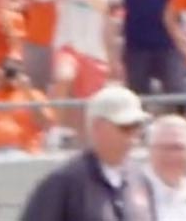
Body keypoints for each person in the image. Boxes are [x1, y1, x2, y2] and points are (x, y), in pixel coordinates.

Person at [18, 85, 149, 221]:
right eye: (126, 127)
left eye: (137, 126)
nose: (134, 136)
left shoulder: (139, 179)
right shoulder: (64, 182)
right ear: (97, 127)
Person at [138, 115, 186, 221]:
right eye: (163, 148)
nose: (172, 155)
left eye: (178, 148)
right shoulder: (130, 195)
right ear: (149, 151)